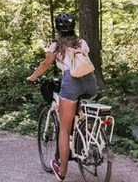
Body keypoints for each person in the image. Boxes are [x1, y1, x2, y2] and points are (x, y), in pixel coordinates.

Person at [26, 12, 97, 181]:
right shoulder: (82, 42)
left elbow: (45, 64)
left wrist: (32, 77)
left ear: (58, 29)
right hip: (90, 82)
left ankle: (63, 170)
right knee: (80, 110)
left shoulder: (56, 45)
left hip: (71, 82)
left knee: (64, 130)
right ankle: (88, 135)